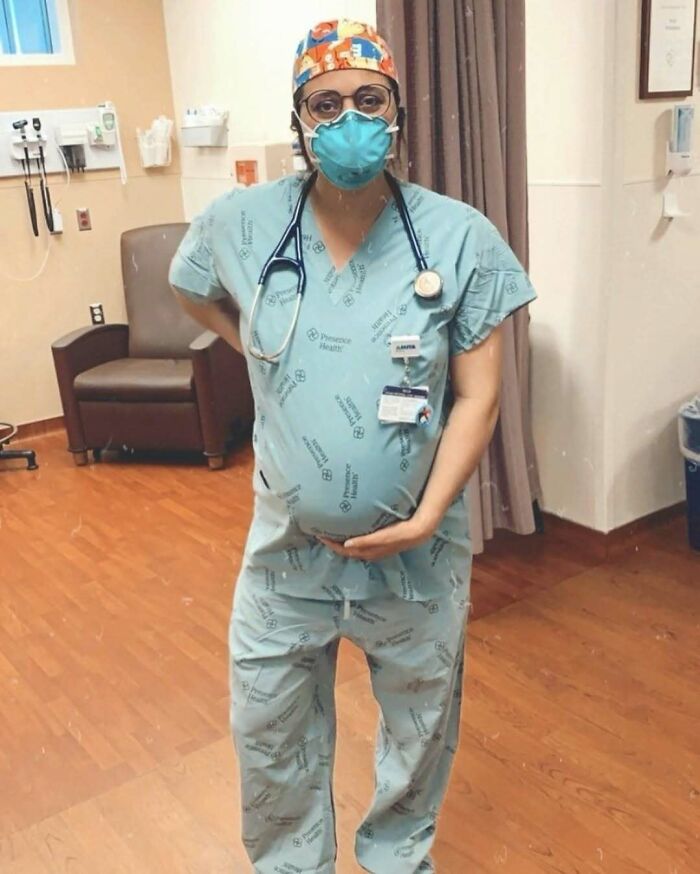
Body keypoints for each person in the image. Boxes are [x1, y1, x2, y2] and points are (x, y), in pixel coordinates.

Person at [169, 17, 537, 874]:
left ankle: (397, 860)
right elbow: (192, 291)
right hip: (285, 553)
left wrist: (429, 516)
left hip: (417, 553)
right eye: (324, 104)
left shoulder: (459, 236)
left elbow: (480, 395)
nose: (348, 120)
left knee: (420, 730)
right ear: (299, 121)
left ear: (397, 110)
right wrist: (263, 356)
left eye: (368, 99)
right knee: (268, 732)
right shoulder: (242, 222)